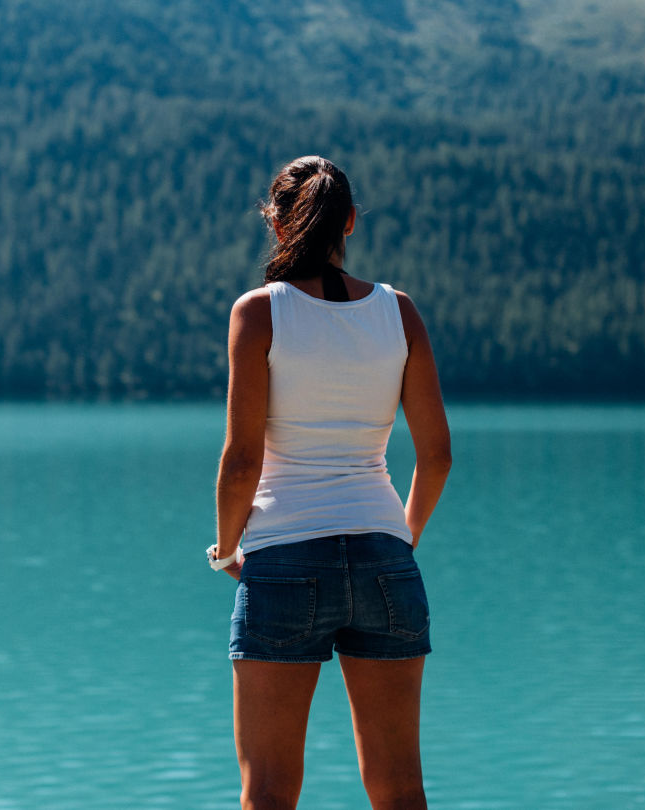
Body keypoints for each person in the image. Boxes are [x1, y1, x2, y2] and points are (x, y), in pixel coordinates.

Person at [208, 156, 452, 810]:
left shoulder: (259, 313)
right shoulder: (399, 312)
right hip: (385, 559)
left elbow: (241, 462)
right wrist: (400, 540)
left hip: (283, 560)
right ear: (348, 222)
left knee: (269, 791)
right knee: (400, 788)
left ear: (277, 223)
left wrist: (227, 551)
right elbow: (437, 457)